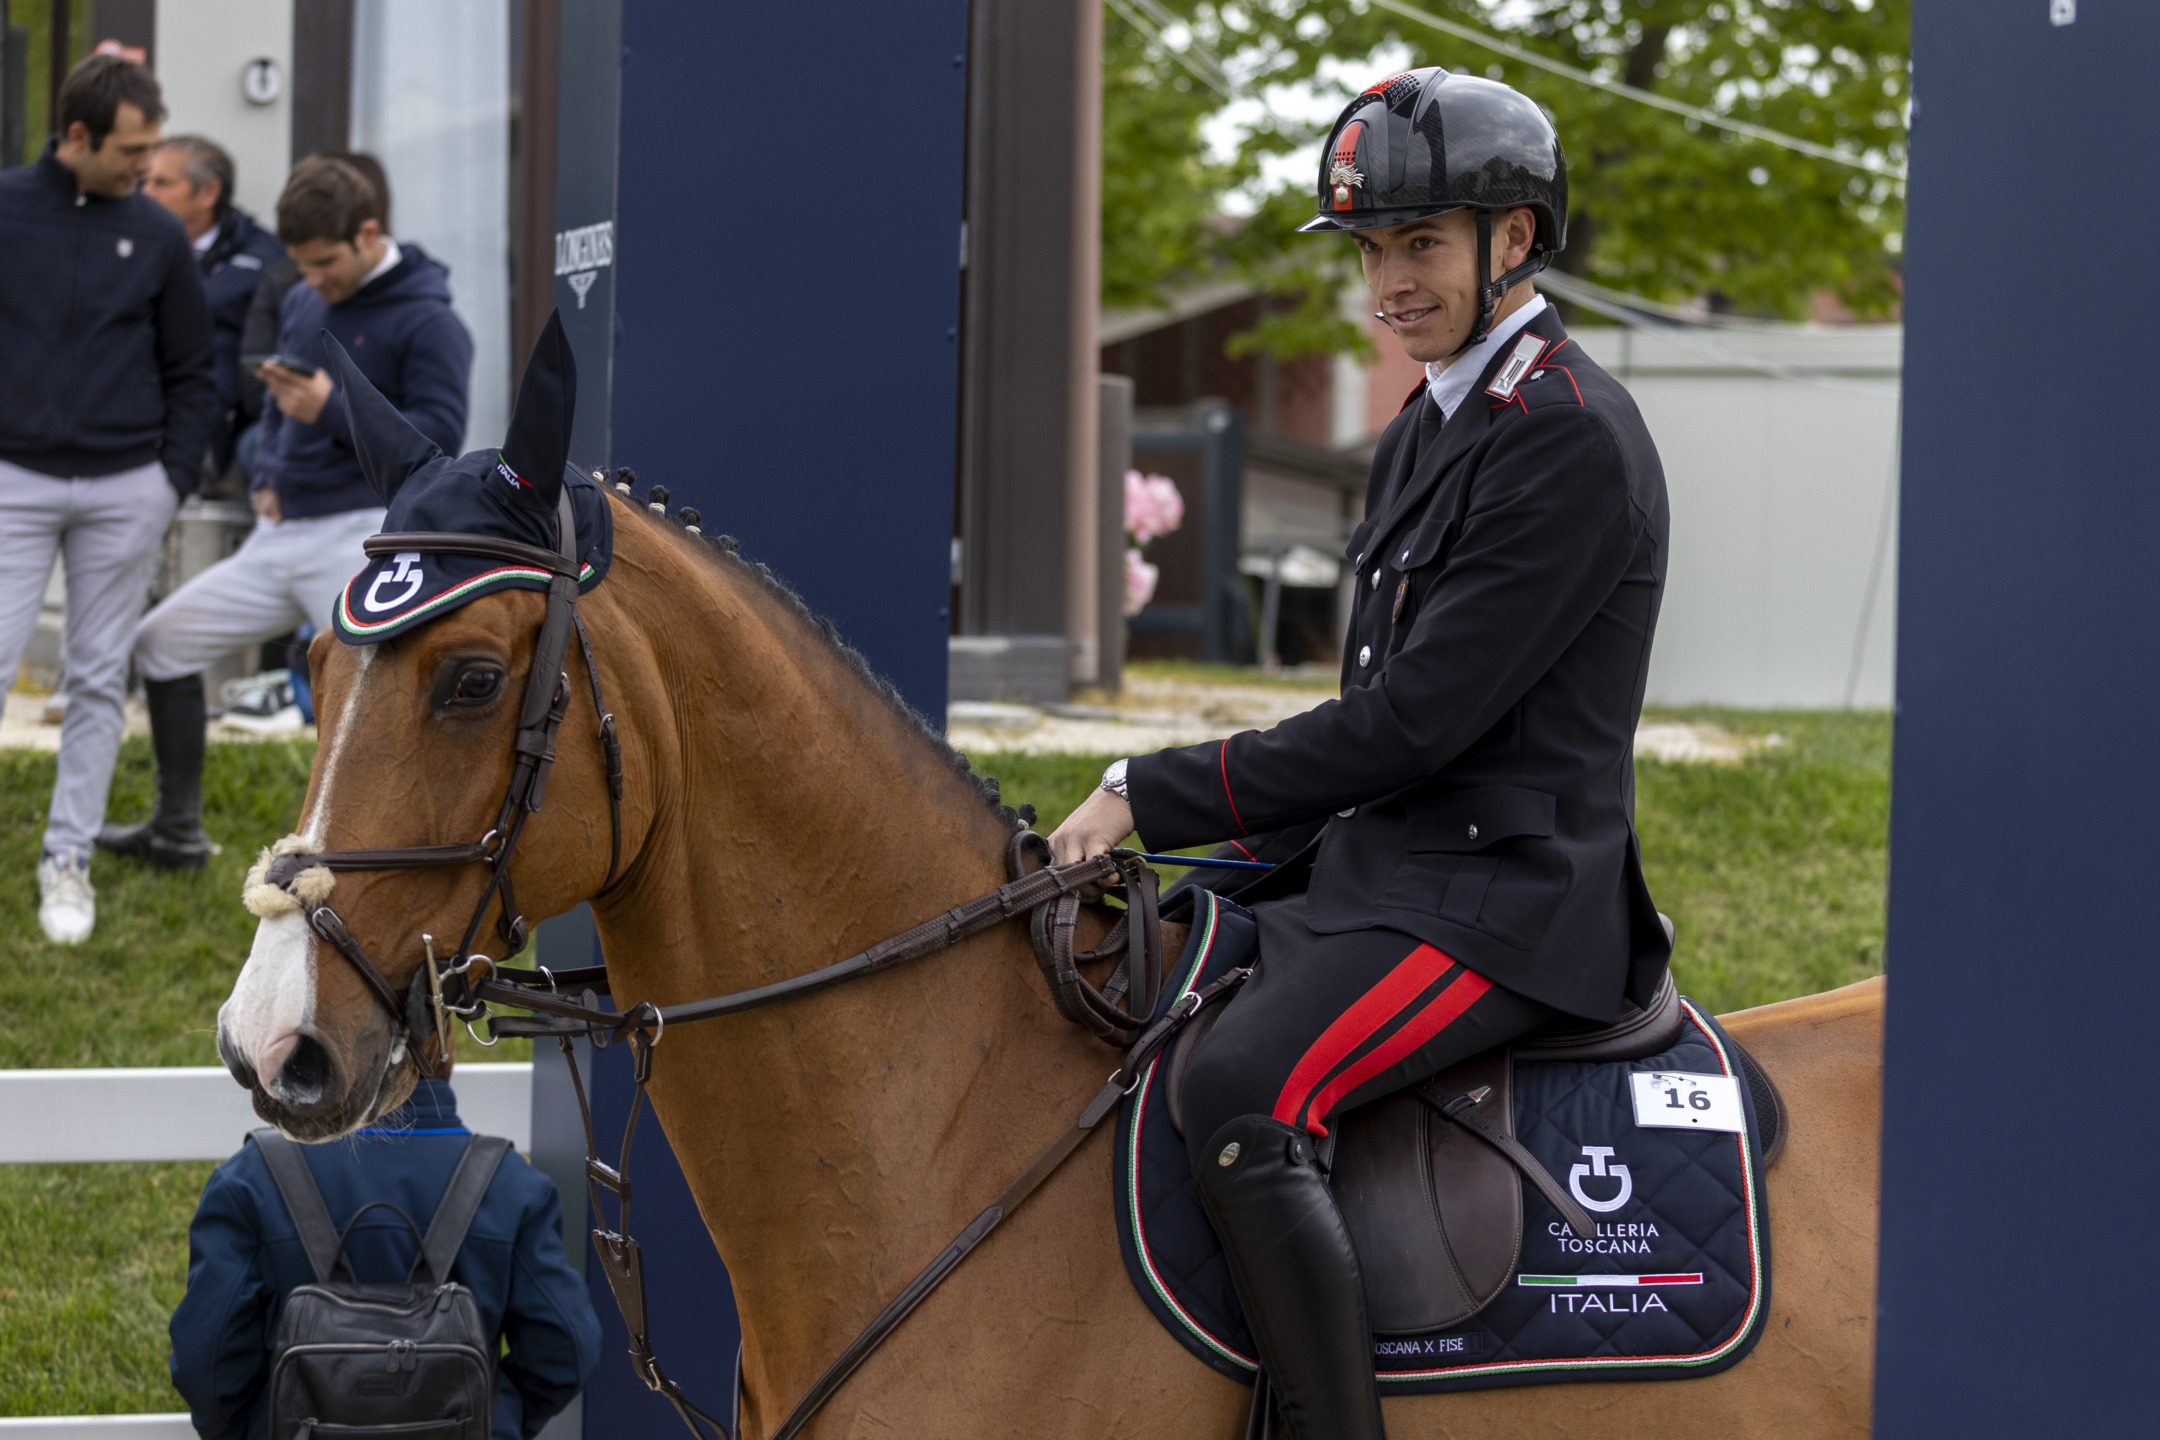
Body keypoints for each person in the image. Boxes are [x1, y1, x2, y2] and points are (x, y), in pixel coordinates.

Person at [1048, 69, 1670, 1439]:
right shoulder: (1424, 428)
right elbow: (1374, 733)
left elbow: (1408, 725)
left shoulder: (1562, 439)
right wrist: (1209, 867)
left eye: (1422, 245)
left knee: (1241, 1086)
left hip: (1505, 904)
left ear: (1515, 240)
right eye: (1374, 252)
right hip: (1385, 873)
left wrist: (1144, 794)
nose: (1388, 283)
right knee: (1140, 982)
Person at [99, 156, 471, 868]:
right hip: (278, 532)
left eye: (325, 263)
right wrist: (266, 471)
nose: (311, 281)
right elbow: (275, 410)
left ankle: (381, 853)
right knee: (158, 645)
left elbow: (438, 445)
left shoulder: (430, 320)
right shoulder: (305, 300)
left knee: (387, 692)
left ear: (368, 233)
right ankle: (177, 833)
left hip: (362, 536)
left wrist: (331, 407)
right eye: (301, 265)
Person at [0, 53, 216, 944]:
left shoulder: (158, 236)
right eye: (134, 150)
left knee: (95, 679)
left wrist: (170, 481)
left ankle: (68, 858)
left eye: (155, 148)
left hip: (128, 486)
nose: (145, 165)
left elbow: (193, 371)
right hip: (14, 480)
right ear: (78, 136)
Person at [169, 1072, 604, 1438]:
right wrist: (492, 1421)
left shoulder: (249, 1180)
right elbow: (567, 1350)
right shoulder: (513, 1187)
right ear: (444, 1042)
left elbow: (203, 1363)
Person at [143, 135, 284, 481]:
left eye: (161, 183)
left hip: (224, 423)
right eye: (143, 180)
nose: (145, 193)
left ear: (208, 193)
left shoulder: (266, 260)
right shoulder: (131, 247)